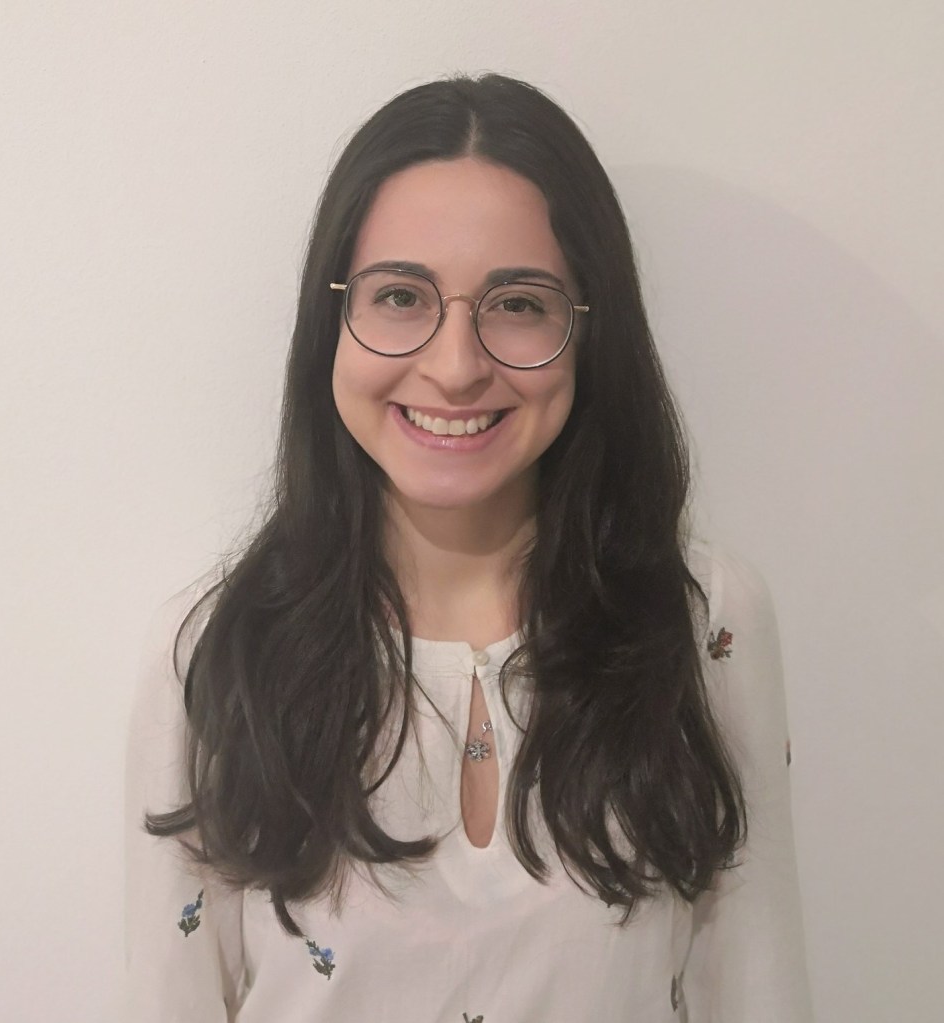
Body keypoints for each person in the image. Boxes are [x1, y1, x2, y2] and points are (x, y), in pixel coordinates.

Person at [125, 74, 813, 1022]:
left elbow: (758, 991)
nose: (455, 367)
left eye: (518, 304)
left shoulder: (704, 620)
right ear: (332, 320)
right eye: (401, 295)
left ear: (588, 328)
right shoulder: (214, 649)